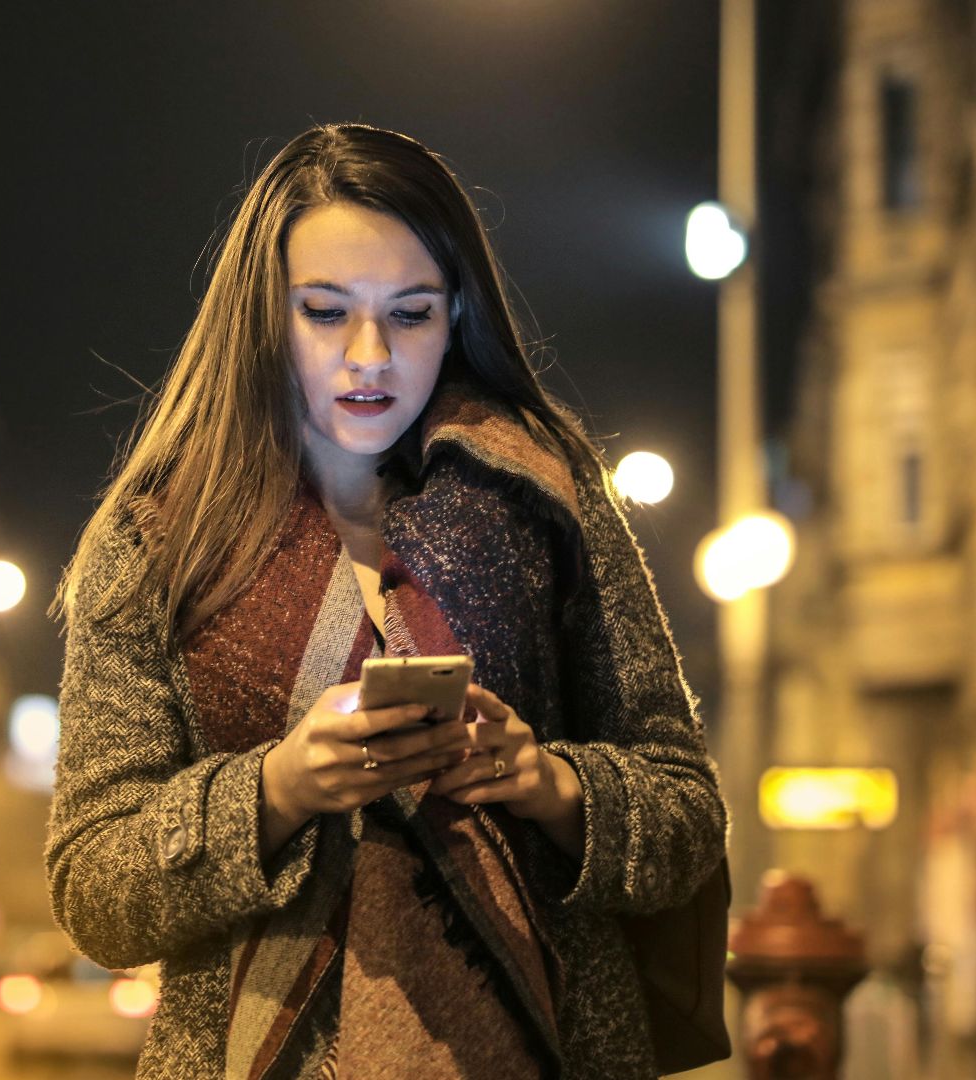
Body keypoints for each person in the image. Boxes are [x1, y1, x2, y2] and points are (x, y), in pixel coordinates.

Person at [46, 122, 726, 1080]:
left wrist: (548, 784)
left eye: (410, 314)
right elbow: (93, 888)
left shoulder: (544, 493)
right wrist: (276, 791)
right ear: (264, 316)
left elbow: (687, 815)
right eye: (325, 312)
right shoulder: (161, 536)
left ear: (457, 317)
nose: (369, 355)